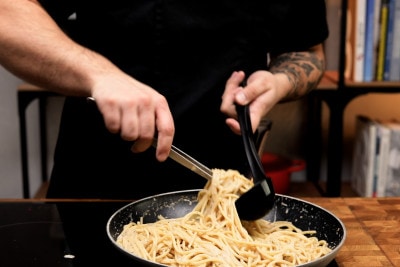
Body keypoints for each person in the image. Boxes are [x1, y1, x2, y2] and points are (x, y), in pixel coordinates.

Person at [0, 0, 329, 265]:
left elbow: (307, 52)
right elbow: (8, 13)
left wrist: (278, 82)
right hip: (97, 181)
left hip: (229, 196)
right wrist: (98, 74)